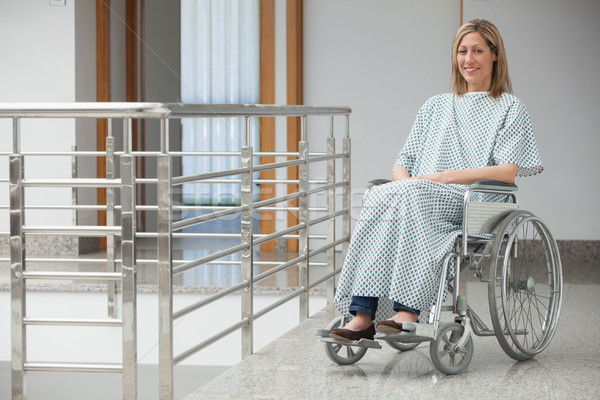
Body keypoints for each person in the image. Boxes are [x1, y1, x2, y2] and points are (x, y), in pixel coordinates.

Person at [329, 19, 543, 341]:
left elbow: (507, 171)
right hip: (421, 193)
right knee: (376, 196)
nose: (468, 59)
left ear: (495, 55)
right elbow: (402, 164)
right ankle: (362, 314)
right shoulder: (434, 106)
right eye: (462, 51)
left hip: (473, 199)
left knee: (410, 194)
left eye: (477, 51)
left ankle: (407, 310)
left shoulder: (510, 107)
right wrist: (404, 185)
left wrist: (445, 177)